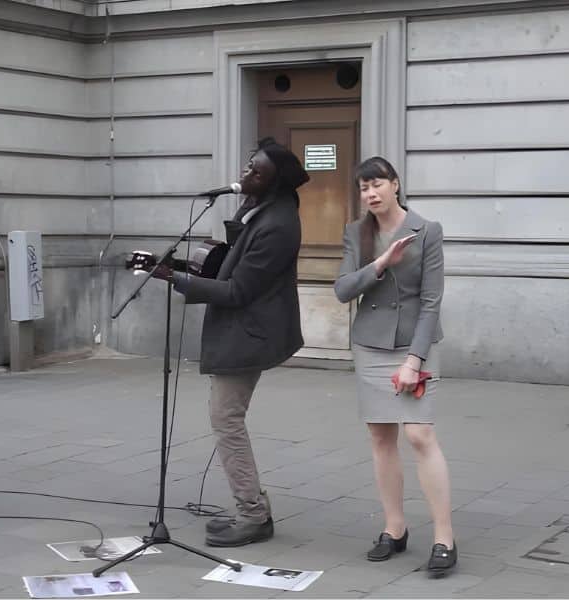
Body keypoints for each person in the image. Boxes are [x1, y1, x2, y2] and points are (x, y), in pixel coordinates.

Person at [153, 137, 307, 547]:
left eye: (256, 171)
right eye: (247, 166)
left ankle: (253, 515)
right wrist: (179, 266)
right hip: (242, 329)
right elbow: (225, 268)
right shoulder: (257, 210)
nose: (245, 174)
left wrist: (178, 281)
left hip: (251, 333)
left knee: (226, 419)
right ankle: (254, 507)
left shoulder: (278, 224)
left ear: (273, 181)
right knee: (226, 418)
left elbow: (238, 290)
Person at [333, 157, 456, 573]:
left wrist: (414, 360)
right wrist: (381, 263)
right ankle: (395, 529)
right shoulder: (356, 232)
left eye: (377, 184)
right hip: (370, 345)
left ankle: (444, 537)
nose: (371, 193)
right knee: (381, 438)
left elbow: (431, 301)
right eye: (364, 187)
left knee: (420, 435)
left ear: (396, 185)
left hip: (414, 345)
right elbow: (343, 290)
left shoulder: (428, 231)